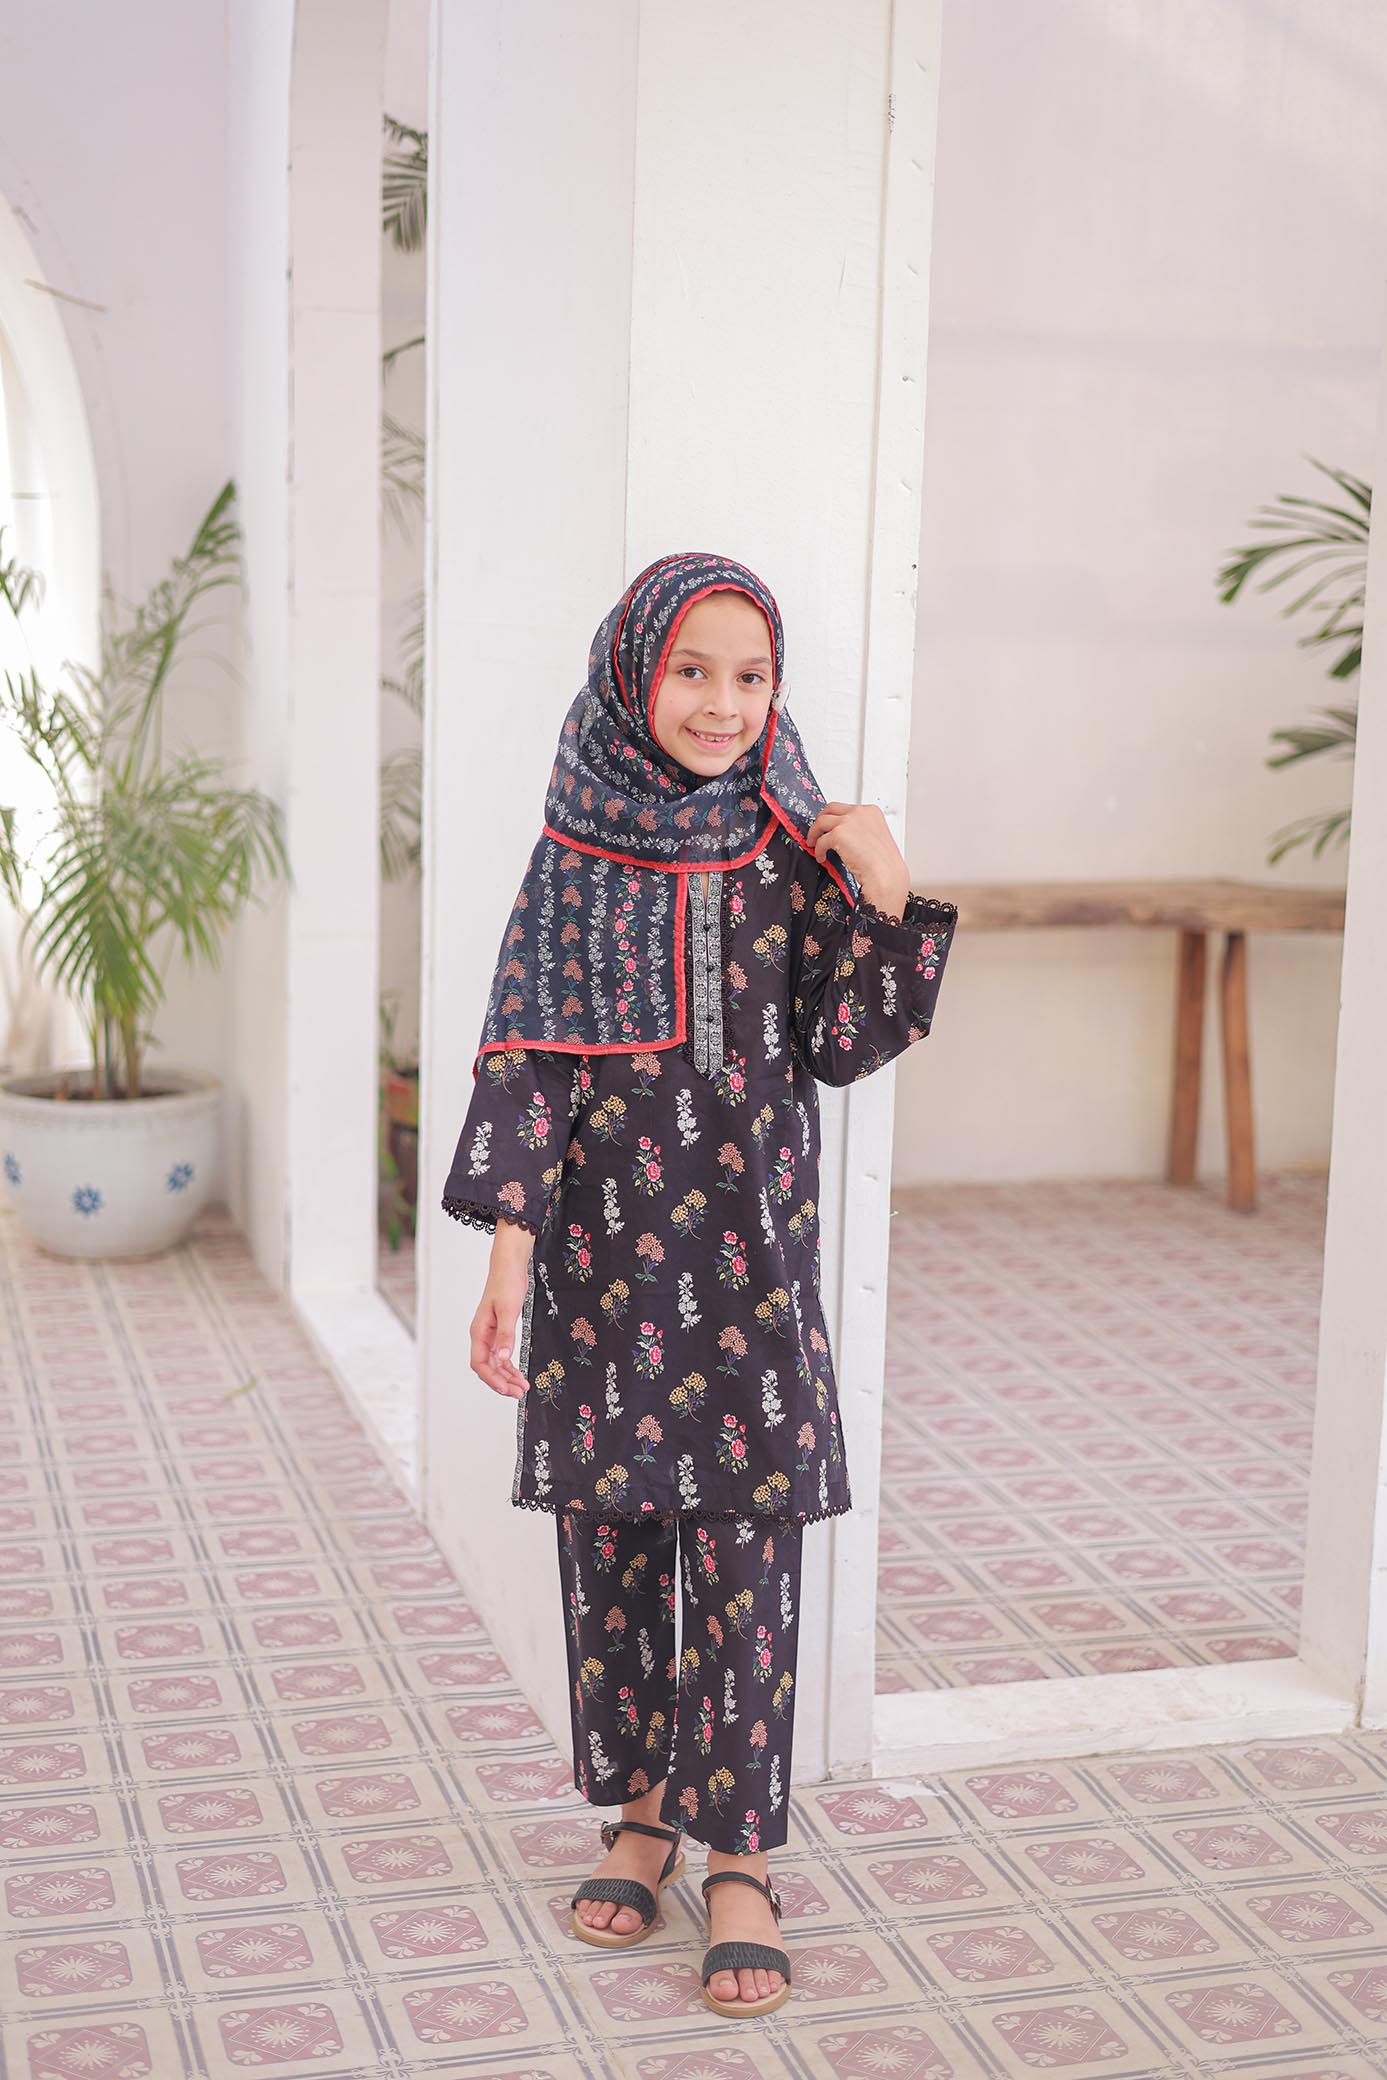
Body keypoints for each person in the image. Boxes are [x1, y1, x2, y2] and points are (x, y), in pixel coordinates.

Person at [442, 550, 958, 2018]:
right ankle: (646, 1807)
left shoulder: (790, 842)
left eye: (750, 675)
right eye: (691, 670)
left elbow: (850, 1041)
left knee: (745, 1547)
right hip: (602, 1263)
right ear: (633, 671)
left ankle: (742, 1856)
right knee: (615, 1540)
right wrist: (507, 1258)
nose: (722, 704)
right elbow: (530, 1058)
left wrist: (886, 889)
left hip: (747, 1253)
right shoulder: (574, 845)